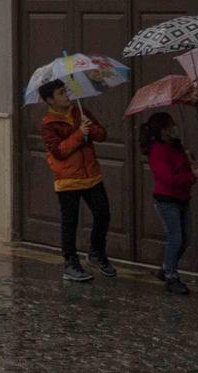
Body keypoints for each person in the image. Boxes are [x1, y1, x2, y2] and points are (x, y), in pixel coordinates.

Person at [38, 78, 114, 285]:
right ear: (50, 100)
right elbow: (59, 151)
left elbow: (101, 135)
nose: (66, 95)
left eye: (66, 91)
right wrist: (80, 133)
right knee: (69, 222)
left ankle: (97, 252)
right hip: (68, 178)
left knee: (103, 214)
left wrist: (91, 128)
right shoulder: (48, 124)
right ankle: (70, 262)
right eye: (61, 93)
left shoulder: (80, 111)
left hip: (91, 175)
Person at [139, 112, 198, 296]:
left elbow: (182, 170)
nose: (174, 128)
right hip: (167, 200)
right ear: (162, 129)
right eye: (170, 125)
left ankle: (166, 266)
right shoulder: (157, 150)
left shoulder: (175, 146)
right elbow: (168, 178)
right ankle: (171, 276)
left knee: (185, 237)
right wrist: (192, 176)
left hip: (182, 198)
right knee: (175, 237)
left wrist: (190, 162)